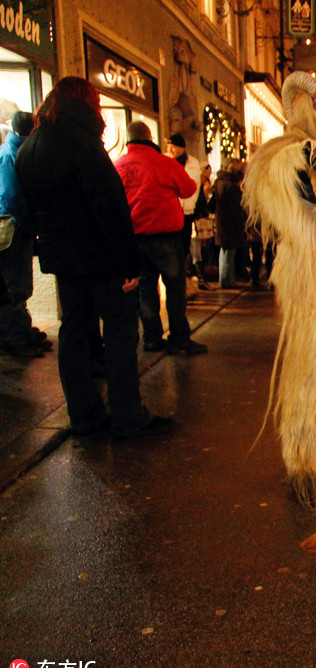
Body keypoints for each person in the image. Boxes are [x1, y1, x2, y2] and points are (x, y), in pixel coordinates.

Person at [15, 77, 174, 438]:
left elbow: (25, 208)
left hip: (64, 262)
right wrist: (129, 264)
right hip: (102, 259)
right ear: (87, 103)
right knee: (119, 336)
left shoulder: (31, 146)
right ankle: (127, 415)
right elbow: (111, 208)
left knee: (74, 334)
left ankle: (84, 415)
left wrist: (47, 245)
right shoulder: (83, 144)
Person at [115, 120, 205, 355]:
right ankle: (179, 338)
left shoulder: (118, 166)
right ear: (149, 138)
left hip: (134, 237)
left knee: (146, 288)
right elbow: (188, 189)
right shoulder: (165, 163)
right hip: (164, 235)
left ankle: (152, 338)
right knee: (174, 288)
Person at [0, 110, 50, 357]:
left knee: (18, 284)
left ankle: (21, 331)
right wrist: (28, 224)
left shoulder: (15, 149)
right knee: (13, 285)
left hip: (15, 226)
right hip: (11, 228)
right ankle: (14, 337)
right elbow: (10, 196)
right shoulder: (12, 154)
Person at [166, 132, 202, 288]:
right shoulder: (165, 160)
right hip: (170, 212)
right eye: (169, 146)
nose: (170, 149)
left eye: (173, 146)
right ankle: (176, 283)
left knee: (184, 248)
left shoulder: (192, 163)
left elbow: (194, 186)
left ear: (180, 147)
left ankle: (184, 283)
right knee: (172, 249)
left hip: (186, 211)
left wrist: (190, 204)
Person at [214, 160, 247, 288]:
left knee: (224, 252)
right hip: (230, 225)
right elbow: (237, 208)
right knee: (229, 253)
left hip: (222, 223)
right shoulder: (231, 187)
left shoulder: (219, 183)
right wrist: (242, 222)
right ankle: (228, 281)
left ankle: (224, 279)